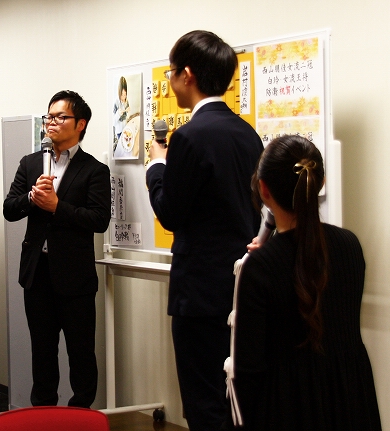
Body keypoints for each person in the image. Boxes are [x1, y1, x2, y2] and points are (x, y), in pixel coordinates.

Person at [146, 30, 263, 431]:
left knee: (202, 401)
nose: (170, 80)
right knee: (235, 399)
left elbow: (170, 213)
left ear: (188, 75)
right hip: (240, 287)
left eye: (171, 72)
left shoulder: (189, 136)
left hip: (198, 292)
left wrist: (156, 167)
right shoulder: (247, 134)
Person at [228, 135, 382, 430]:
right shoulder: (350, 246)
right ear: (320, 183)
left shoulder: (260, 267)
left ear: (264, 190)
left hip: (287, 407)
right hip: (350, 402)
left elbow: (247, 373)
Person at [3, 90, 110, 408]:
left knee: (81, 353)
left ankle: (80, 415)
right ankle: (44, 414)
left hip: (75, 278)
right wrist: (31, 198)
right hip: (37, 275)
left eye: (60, 117)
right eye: (48, 116)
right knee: (42, 352)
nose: (51, 122)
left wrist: (56, 206)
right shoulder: (30, 163)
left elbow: (99, 220)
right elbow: (10, 209)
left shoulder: (94, 170)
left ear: (80, 124)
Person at [112, 76, 129, 142]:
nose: (123, 97)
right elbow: (113, 123)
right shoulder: (116, 102)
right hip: (119, 132)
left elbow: (126, 116)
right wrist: (118, 114)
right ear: (119, 93)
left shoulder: (126, 101)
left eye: (125, 95)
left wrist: (128, 110)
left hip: (126, 130)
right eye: (122, 95)